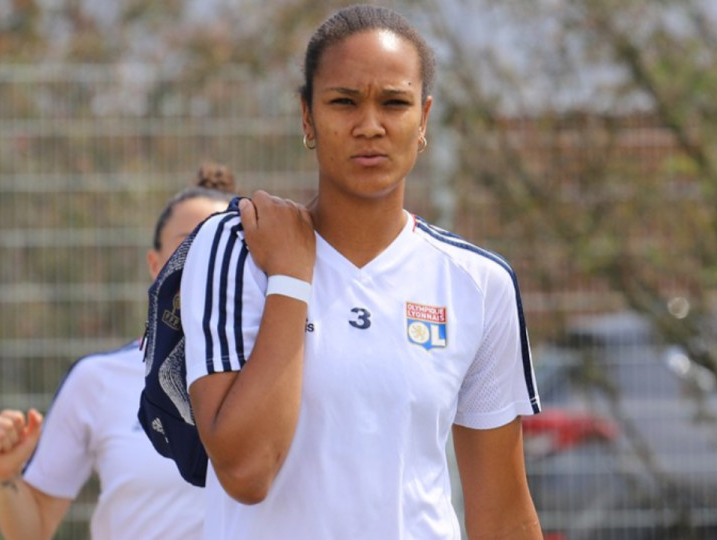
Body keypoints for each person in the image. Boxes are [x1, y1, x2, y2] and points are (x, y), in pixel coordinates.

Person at [181, 6, 544, 539]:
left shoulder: (478, 283)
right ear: (307, 116)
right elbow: (247, 471)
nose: (370, 125)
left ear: (423, 119)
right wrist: (290, 279)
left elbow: (504, 514)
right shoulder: (236, 249)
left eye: (394, 103)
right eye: (343, 101)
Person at [0, 162, 238, 540]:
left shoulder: (282, 372)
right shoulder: (97, 380)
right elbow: (32, 530)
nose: (203, 260)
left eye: (222, 246)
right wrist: (6, 476)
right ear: (155, 264)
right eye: (188, 243)